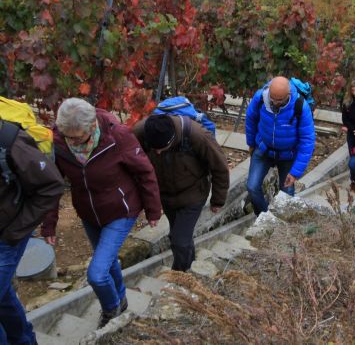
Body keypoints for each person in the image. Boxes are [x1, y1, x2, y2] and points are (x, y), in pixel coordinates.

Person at [41, 98, 162, 328]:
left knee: (96, 274)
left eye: (77, 137)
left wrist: (153, 210)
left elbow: (145, 172)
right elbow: (53, 185)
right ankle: (121, 299)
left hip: (121, 210)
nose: (72, 142)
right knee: (106, 262)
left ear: (92, 126)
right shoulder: (58, 141)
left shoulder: (117, 137)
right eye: (68, 136)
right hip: (89, 213)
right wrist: (49, 224)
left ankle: (112, 311)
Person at [133, 114, 229, 272]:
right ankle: (189, 266)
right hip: (165, 194)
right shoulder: (140, 133)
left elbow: (220, 167)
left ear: (171, 140)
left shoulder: (197, 136)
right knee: (177, 236)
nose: (157, 153)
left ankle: (179, 275)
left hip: (193, 194)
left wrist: (218, 200)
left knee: (180, 241)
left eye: (161, 148)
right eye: (153, 148)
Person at [0, 121, 65, 345]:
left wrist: (13, 232)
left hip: (6, 236)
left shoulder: (11, 142)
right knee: (3, 295)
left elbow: (52, 186)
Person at [245, 76, 315, 215]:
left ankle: (282, 224)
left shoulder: (300, 106)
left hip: (288, 155)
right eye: (273, 99)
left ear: (288, 95)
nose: (275, 103)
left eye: (280, 100)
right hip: (264, 148)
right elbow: (250, 119)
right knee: (252, 187)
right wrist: (251, 143)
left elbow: (307, 140)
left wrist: (296, 172)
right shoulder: (260, 97)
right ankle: (264, 218)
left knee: (287, 195)